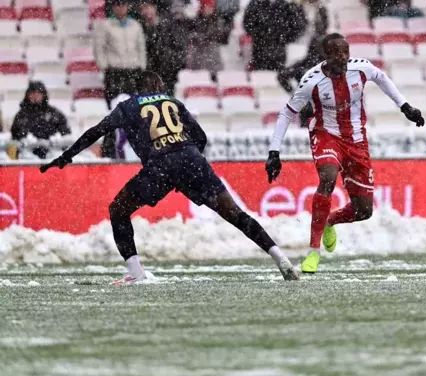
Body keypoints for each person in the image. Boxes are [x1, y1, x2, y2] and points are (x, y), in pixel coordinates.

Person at [40, 70, 299, 284]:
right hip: (191, 160)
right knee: (235, 214)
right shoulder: (173, 102)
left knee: (118, 209)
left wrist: (68, 155)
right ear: (158, 85)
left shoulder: (127, 106)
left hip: (160, 165)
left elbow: (95, 132)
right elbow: (201, 138)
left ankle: (137, 274)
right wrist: (187, 168)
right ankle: (281, 259)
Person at [265, 33, 425, 274]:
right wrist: (274, 152)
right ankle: (313, 252)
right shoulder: (312, 80)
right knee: (327, 177)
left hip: (356, 140)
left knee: (364, 211)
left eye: (345, 52)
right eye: (336, 53)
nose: (342, 57)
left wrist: (405, 106)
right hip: (325, 134)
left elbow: (382, 79)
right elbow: (287, 113)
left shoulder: (361, 69)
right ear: (325, 56)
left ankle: (330, 220)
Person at [243, 0, 306, 70]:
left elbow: (295, 22)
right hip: (260, 48)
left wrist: (287, 36)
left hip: (279, 48)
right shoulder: (255, 4)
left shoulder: (283, 4)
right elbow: (247, 23)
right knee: (261, 77)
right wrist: (260, 34)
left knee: (277, 78)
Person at [94, 0, 147, 104]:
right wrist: (104, 66)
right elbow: (99, 47)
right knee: (114, 103)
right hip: (114, 71)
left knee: (134, 104)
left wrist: (142, 65)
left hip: (133, 70)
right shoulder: (106, 25)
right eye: (118, 5)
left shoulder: (135, 25)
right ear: (113, 8)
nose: (121, 8)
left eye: (123, 5)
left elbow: (141, 47)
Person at [11, 81, 71, 158]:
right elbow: (16, 136)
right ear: (27, 95)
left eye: (38, 93)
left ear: (44, 95)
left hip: (52, 155)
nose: (35, 96)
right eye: (32, 93)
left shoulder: (54, 113)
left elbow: (66, 134)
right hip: (27, 155)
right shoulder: (21, 115)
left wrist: (53, 142)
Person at [139, 1, 189, 93]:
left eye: (150, 7)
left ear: (155, 8)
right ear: (141, 10)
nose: (148, 10)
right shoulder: (139, 27)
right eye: (145, 7)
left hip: (167, 72)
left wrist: (171, 62)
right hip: (148, 73)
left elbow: (178, 47)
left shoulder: (167, 25)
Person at [186, 0, 225, 75]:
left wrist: (207, 36)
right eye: (206, 6)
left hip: (213, 55)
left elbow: (220, 35)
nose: (208, 9)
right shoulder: (196, 21)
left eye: (211, 7)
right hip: (198, 55)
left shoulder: (217, 21)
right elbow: (191, 35)